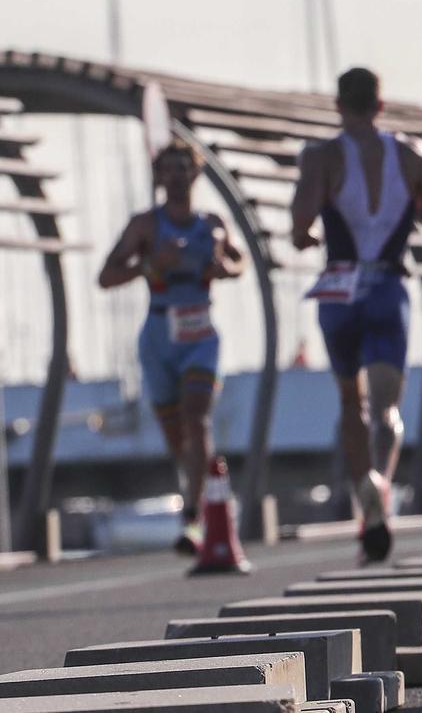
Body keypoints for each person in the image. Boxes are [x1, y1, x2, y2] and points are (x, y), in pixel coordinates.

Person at [290, 67, 422, 563]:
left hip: (340, 286)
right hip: (386, 285)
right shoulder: (410, 155)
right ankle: (381, 485)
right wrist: (409, 206)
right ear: (380, 106)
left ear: (338, 105)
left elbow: (299, 227)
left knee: (350, 402)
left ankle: (365, 487)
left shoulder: (320, 157)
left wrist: (314, 234)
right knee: (387, 409)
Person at [97, 138, 246, 556]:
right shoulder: (145, 225)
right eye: (171, 169)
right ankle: (195, 490)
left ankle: (192, 517)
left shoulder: (212, 223)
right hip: (160, 333)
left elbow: (240, 262)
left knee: (198, 421)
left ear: (196, 174)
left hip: (200, 334)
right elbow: (105, 276)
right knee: (178, 437)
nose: (178, 176)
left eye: (185, 168)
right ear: (159, 177)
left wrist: (224, 268)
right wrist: (148, 265)